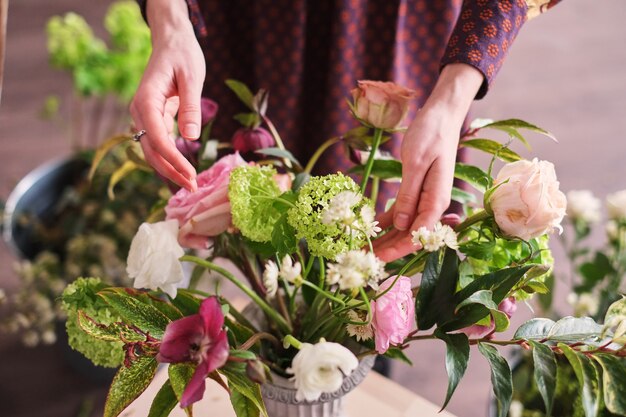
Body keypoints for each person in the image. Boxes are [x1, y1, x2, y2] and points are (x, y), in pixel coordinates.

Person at [130, 0, 561, 262]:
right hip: (253, 26)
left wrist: (451, 99)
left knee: (373, 244)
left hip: (393, 30)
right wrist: (170, 23)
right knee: (248, 225)